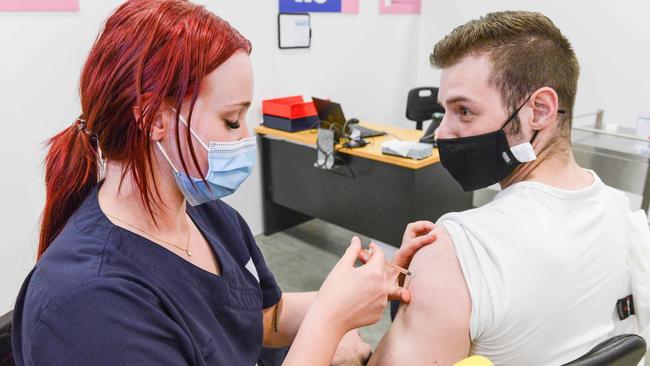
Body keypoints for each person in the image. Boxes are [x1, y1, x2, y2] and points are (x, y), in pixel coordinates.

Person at [11, 1, 433, 365]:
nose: (245, 139)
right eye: (231, 121)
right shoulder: (90, 305)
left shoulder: (211, 218)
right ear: (154, 118)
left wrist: (366, 286)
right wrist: (330, 323)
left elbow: (263, 319)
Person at [369, 11, 648, 365]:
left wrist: (342, 327)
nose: (440, 133)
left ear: (540, 111)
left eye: (465, 111)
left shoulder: (455, 251)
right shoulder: (619, 212)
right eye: (445, 112)